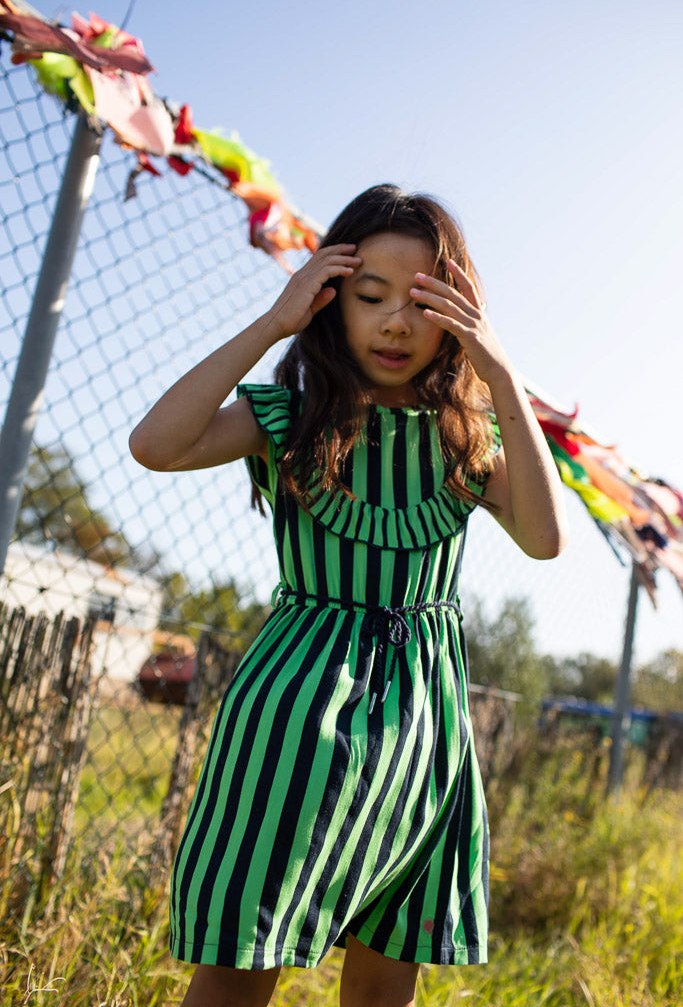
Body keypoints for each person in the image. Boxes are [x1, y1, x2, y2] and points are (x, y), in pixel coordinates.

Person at [129, 183, 568, 1007]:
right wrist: (271, 323)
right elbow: (156, 444)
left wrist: (499, 373)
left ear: (460, 314)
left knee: (385, 971)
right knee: (239, 958)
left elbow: (546, 540)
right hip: (293, 723)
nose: (396, 322)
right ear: (330, 304)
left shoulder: (466, 440)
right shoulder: (292, 417)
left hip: (424, 734)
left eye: (422, 301)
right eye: (369, 298)